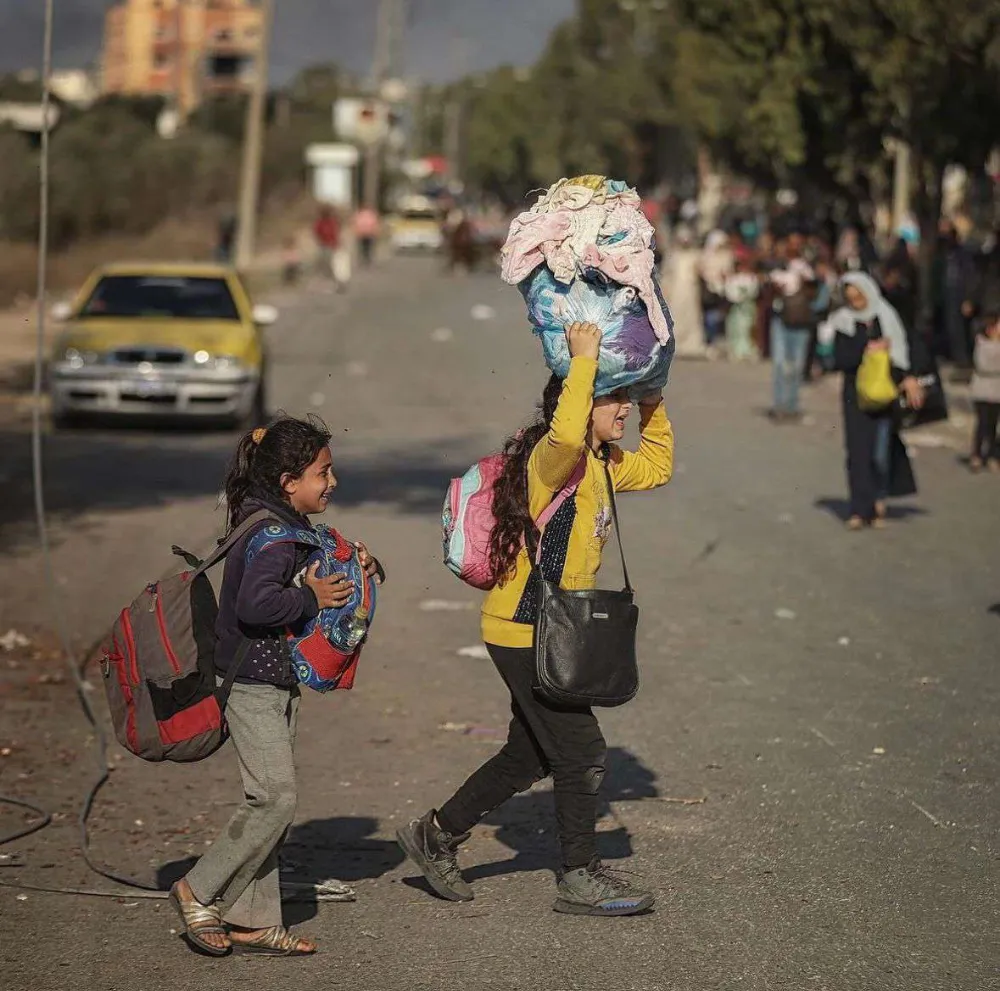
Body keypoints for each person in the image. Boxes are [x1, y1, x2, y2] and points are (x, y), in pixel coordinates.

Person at [397, 322, 674, 917]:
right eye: (613, 399)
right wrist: (583, 361)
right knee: (581, 751)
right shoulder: (550, 463)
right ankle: (577, 875)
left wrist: (652, 395)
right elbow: (568, 430)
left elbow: (656, 466)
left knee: (529, 755)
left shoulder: (599, 466)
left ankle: (435, 834)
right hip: (523, 629)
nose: (621, 409)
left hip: (551, 630)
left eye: (623, 398)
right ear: (578, 405)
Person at [169, 416, 383, 957]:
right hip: (251, 683)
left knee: (267, 800)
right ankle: (200, 888)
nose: (331, 482)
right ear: (289, 481)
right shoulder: (272, 535)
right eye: (322, 473)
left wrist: (357, 567)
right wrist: (314, 598)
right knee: (275, 799)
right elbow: (256, 604)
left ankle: (253, 919)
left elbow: (314, 565)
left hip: (274, 680)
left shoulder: (280, 522)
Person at [826, 273, 923, 530]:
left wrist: (907, 376)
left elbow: (903, 350)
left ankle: (879, 498)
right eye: (851, 298)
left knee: (881, 453)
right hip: (855, 395)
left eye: (860, 296)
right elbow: (840, 360)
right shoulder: (843, 322)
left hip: (886, 393)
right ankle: (859, 509)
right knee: (858, 452)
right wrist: (865, 349)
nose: (856, 302)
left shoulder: (886, 315)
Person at [768, 232, 817, 420]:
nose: (794, 247)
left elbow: (814, 293)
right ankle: (780, 405)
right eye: (791, 243)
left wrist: (805, 282)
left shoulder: (806, 267)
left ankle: (792, 406)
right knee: (780, 364)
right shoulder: (777, 265)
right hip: (781, 318)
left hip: (800, 321)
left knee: (797, 365)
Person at [969, 310, 1000, 472]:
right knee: (982, 423)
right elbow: (985, 365)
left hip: (997, 391)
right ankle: (977, 455)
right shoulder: (981, 343)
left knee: (994, 425)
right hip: (982, 390)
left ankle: (992, 455)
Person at [698, 230, 733, 355]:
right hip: (709, 292)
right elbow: (702, 271)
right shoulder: (706, 255)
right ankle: (709, 343)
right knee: (710, 319)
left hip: (723, 292)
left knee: (721, 318)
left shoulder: (727, 256)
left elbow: (728, 271)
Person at [723, 255, 760, 361]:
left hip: (748, 307)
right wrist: (737, 297)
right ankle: (736, 350)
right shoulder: (733, 279)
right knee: (736, 329)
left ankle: (748, 350)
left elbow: (754, 291)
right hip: (736, 308)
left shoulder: (751, 278)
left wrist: (745, 296)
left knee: (748, 328)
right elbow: (729, 291)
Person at [313, 205, 346, 292]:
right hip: (325, 245)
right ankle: (332, 281)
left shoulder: (332, 222)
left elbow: (336, 233)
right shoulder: (321, 222)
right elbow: (317, 233)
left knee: (334, 265)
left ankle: (337, 282)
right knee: (327, 265)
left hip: (331, 245)